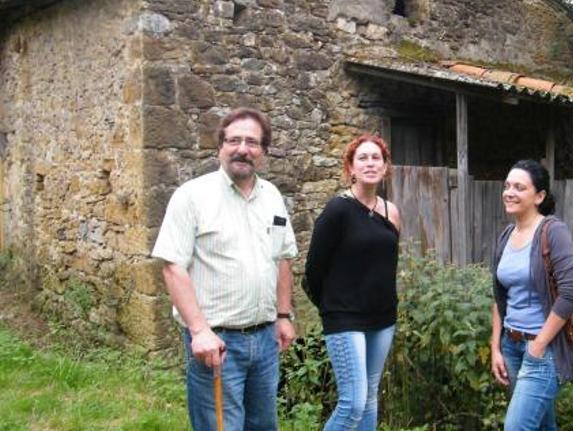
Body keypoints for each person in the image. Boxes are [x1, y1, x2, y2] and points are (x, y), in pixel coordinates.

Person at [152, 107, 298, 431]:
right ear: (220, 146)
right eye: (234, 140)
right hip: (217, 344)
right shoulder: (192, 196)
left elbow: (283, 257)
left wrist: (284, 316)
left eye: (252, 142)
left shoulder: (272, 196)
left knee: (263, 426)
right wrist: (199, 331)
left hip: (265, 340)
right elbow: (173, 265)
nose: (242, 149)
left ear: (263, 151)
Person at [304, 133, 401, 431]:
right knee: (353, 402)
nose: (370, 163)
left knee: (370, 398)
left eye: (377, 158)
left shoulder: (391, 212)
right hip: (345, 318)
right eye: (363, 158)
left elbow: (387, 266)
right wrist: (334, 308)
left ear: (385, 167)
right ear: (351, 168)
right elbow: (313, 271)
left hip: (383, 318)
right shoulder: (337, 211)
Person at [489, 159, 573, 431]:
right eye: (507, 186)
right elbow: (499, 297)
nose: (510, 192)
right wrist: (496, 347)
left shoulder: (554, 232)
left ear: (539, 196)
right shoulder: (506, 236)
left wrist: (539, 345)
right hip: (511, 347)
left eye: (519, 187)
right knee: (542, 427)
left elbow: (571, 292)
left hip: (543, 350)